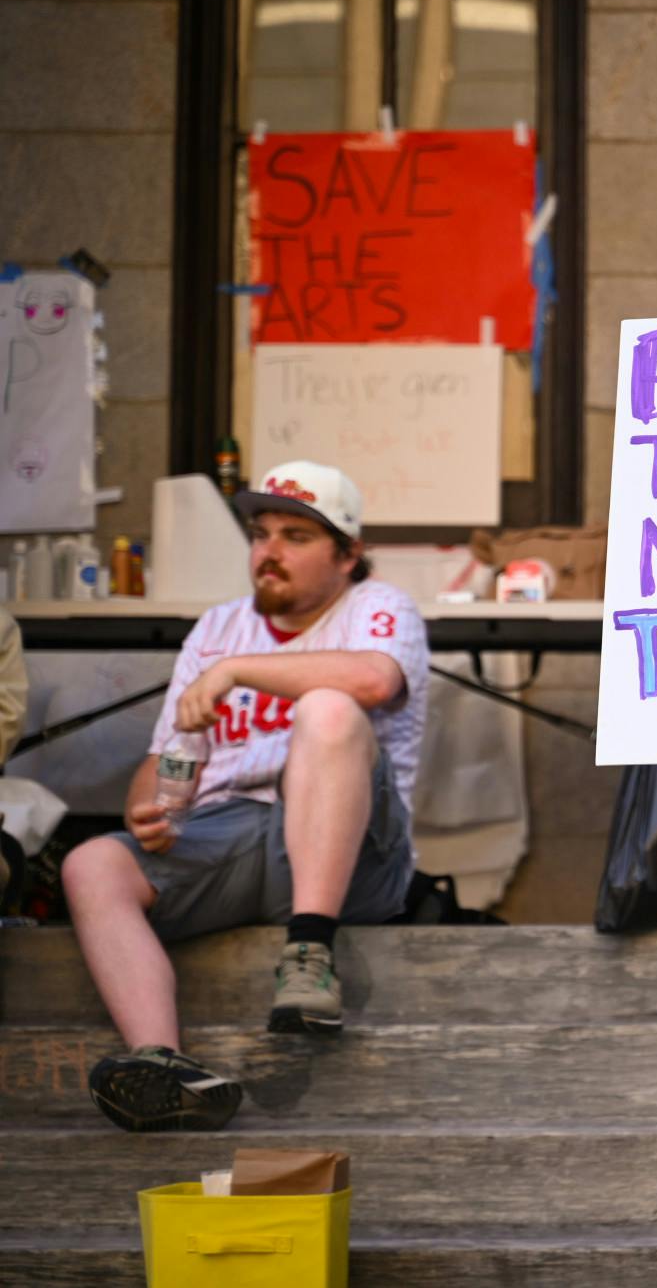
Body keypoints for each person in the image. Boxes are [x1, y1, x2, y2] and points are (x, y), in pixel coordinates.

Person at [62, 461, 429, 1133]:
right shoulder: (218, 627)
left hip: (352, 858)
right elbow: (164, 766)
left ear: (349, 555)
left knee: (329, 710)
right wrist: (153, 811)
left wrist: (234, 671)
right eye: (260, 534)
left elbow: (373, 681)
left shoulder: (380, 607)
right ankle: (164, 1065)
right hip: (226, 835)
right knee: (91, 863)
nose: (269, 552)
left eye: (295, 535)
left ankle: (309, 955)